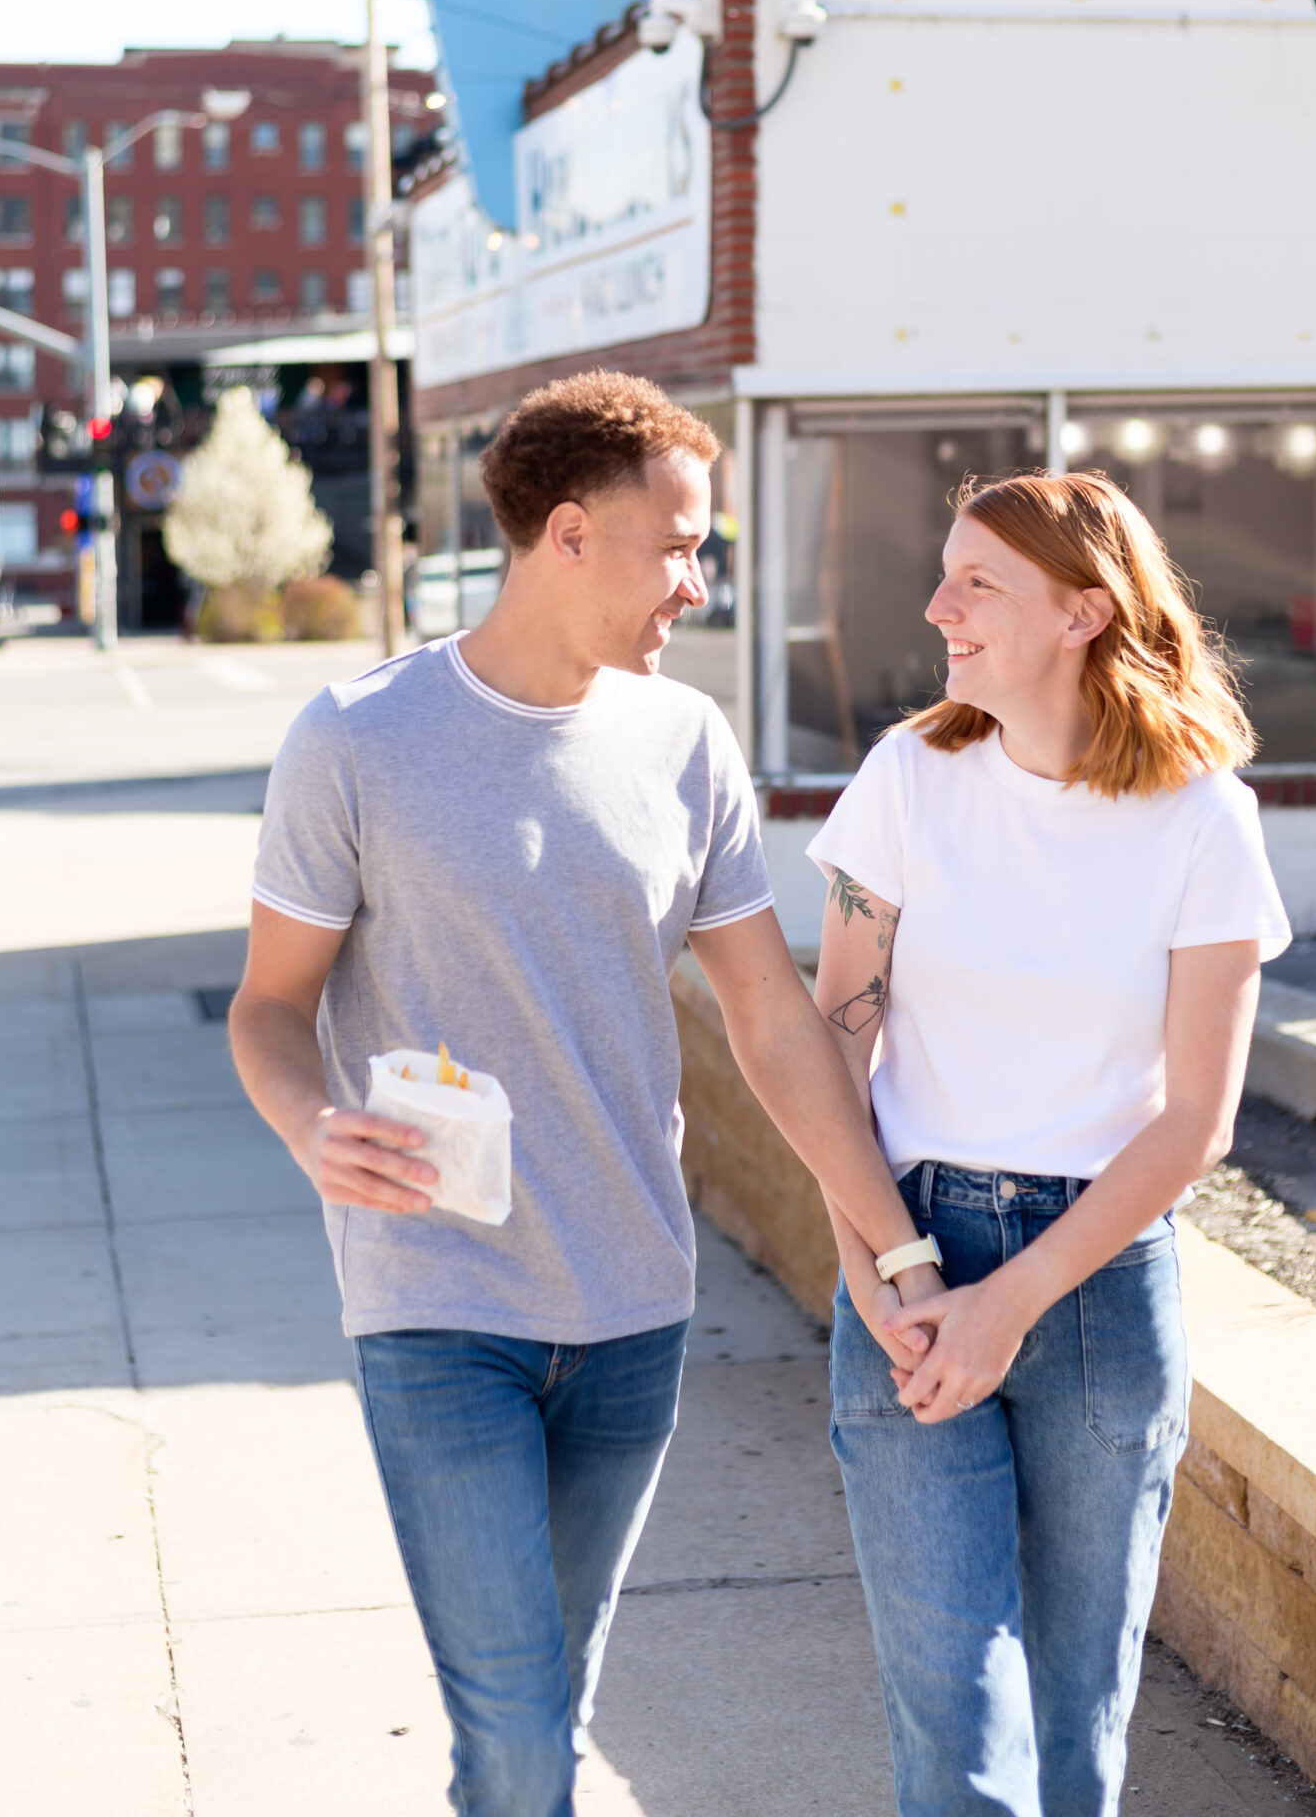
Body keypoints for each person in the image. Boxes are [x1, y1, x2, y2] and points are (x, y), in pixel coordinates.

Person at [229, 369, 939, 1817]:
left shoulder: (687, 746)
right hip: (436, 1302)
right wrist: (312, 1125)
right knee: (511, 1727)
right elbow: (268, 1006)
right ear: (565, 534)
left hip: (631, 1304)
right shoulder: (356, 740)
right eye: (679, 544)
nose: (699, 579)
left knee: (556, 1702)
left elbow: (770, 1018)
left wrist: (891, 1241)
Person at [809, 469, 1290, 1817]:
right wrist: (874, 1260)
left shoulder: (1204, 818)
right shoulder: (906, 778)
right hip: (911, 1251)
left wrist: (1010, 1301)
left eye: (979, 583)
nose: (936, 605)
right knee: (961, 1747)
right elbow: (834, 1040)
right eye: (947, 571)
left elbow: (1196, 1120)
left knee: (1074, 1742)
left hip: (1096, 1285)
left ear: (1084, 613)